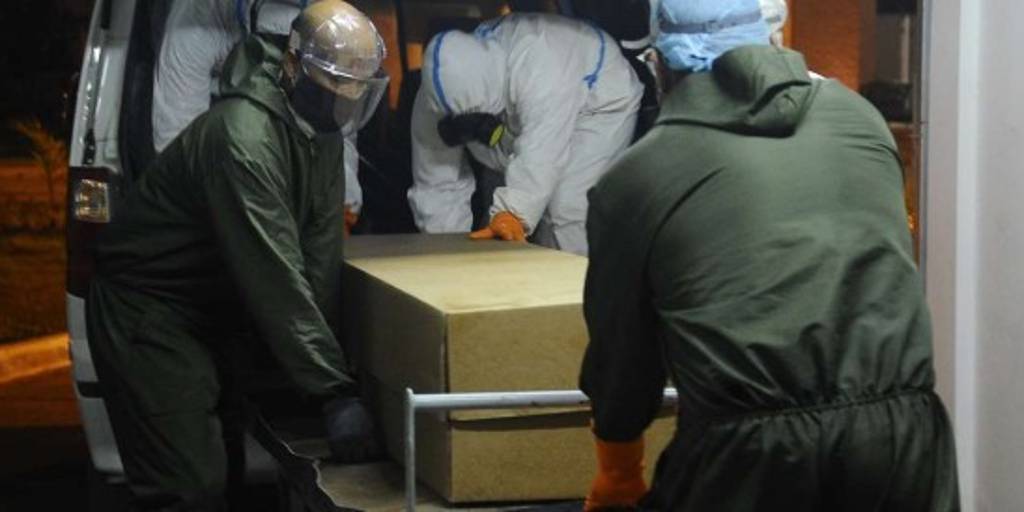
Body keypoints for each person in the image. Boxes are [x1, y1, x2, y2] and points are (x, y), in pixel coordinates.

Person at [579, 0, 960, 510]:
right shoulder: (860, 119)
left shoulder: (638, 176)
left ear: (660, 62)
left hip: (752, 454)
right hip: (905, 440)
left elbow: (624, 355)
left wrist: (618, 471)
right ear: (767, 38)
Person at [86, 1, 389, 509]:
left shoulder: (323, 134)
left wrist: (333, 372)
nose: (345, 101)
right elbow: (275, 275)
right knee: (189, 484)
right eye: (335, 85)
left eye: (356, 89)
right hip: (150, 307)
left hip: (212, 305)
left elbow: (318, 258)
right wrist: (333, 392)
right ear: (293, 64)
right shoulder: (243, 137)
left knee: (228, 465)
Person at [407, 13, 643, 255]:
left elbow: (543, 151)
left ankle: (573, 277)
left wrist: (513, 213)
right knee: (496, 213)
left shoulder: (540, 63)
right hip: (523, 110)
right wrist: (447, 249)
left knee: (565, 209)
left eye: (478, 117)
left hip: (599, 100)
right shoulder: (431, 105)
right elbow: (435, 183)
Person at [153, 0, 363, 232]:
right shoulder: (197, 19)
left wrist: (344, 202)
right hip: (221, 152)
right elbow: (180, 138)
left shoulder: (330, 20)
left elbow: (336, 127)